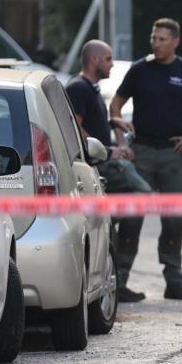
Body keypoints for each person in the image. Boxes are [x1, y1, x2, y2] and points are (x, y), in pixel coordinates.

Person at [110, 18, 182, 301]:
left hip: (173, 153)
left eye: (161, 39)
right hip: (141, 151)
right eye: (153, 38)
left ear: (175, 41)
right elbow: (115, 106)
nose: (155, 43)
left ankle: (174, 281)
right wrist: (122, 144)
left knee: (173, 219)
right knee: (132, 218)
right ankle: (119, 280)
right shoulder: (140, 69)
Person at [65, 40, 152, 302]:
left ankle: (117, 275)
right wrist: (109, 151)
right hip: (98, 167)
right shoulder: (78, 88)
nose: (112, 64)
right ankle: (115, 270)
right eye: (108, 58)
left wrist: (111, 121)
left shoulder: (89, 89)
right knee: (143, 197)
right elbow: (76, 128)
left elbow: (89, 122)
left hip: (103, 166)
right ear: (94, 60)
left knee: (136, 205)